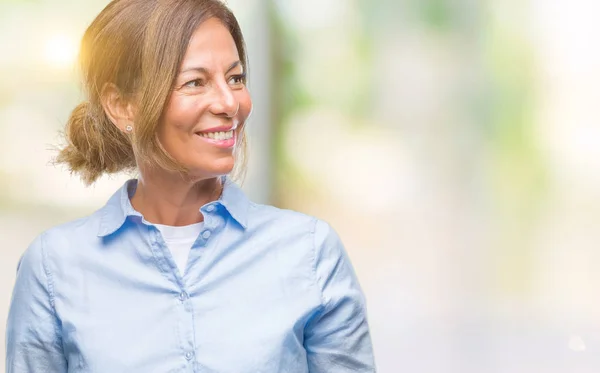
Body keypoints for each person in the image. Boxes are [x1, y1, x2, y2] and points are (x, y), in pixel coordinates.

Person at [5, 0, 376, 372]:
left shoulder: (310, 253)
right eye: (195, 82)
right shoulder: (54, 268)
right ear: (121, 106)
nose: (230, 103)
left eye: (235, 78)